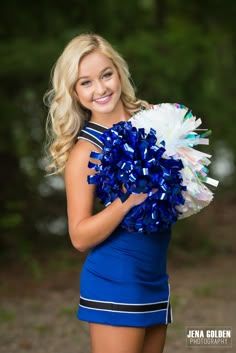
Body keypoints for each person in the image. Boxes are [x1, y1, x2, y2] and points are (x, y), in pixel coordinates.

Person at [44, 33, 173, 353]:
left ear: (119, 72)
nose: (100, 89)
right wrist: (125, 201)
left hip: (155, 277)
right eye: (85, 82)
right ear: (73, 92)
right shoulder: (86, 151)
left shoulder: (151, 122)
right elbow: (79, 236)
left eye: (106, 75)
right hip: (114, 282)